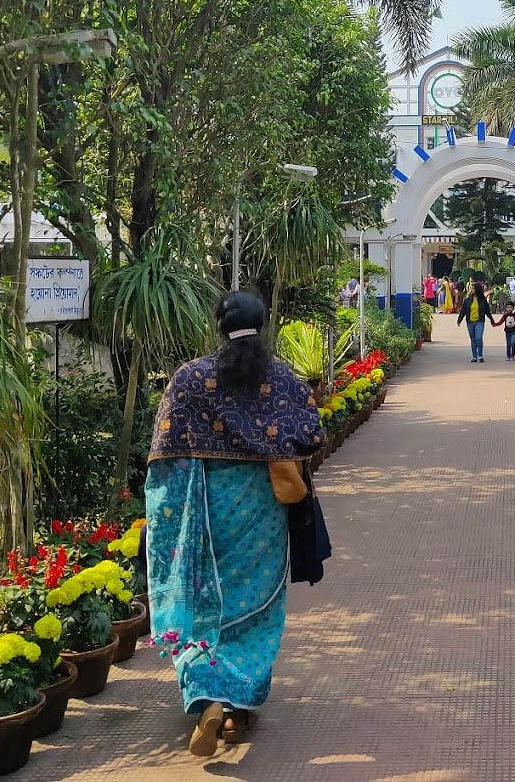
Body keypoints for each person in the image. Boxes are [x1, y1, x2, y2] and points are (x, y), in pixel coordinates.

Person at [145, 291, 324, 756]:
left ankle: (207, 695)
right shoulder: (282, 378)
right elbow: (310, 432)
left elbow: (162, 455)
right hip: (260, 510)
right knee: (254, 604)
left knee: (204, 601)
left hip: (201, 512)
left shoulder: (188, 378)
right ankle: (235, 702)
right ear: (262, 324)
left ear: (218, 327)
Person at [456, 278, 492, 362]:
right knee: (473, 339)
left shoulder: (483, 301)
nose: (471, 290)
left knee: (478, 338)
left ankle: (480, 355)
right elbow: (463, 311)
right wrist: (459, 320)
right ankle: (474, 356)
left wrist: (491, 320)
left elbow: (487, 311)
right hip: (470, 322)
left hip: (479, 321)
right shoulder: (467, 300)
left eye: (473, 288)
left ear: (477, 289)